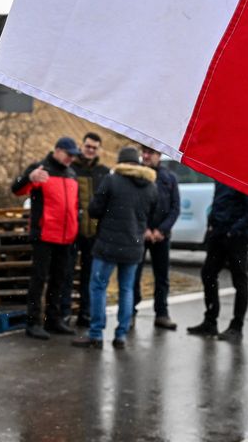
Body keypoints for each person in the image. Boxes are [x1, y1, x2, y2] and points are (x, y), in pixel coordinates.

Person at [73, 146, 158, 349]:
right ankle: (120, 335)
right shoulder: (150, 186)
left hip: (107, 245)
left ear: (120, 162)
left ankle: (96, 334)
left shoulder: (112, 180)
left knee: (98, 287)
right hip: (134, 246)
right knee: (127, 289)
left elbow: (94, 209)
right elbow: (153, 213)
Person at [11, 136, 80, 340]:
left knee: (59, 279)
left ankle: (53, 319)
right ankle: (33, 322)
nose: (70, 159)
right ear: (57, 150)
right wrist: (29, 178)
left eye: (73, 156)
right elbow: (17, 190)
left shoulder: (71, 173)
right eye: (68, 155)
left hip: (66, 236)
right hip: (44, 234)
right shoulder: (40, 169)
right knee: (39, 279)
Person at [187, 182, 248, 339]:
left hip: (237, 238)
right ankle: (210, 322)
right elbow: (218, 203)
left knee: (239, 280)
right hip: (218, 235)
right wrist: (211, 224)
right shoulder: (221, 176)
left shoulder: (245, 177)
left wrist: (234, 230)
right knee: (208, 274)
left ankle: (237, 326)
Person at [62, 131, 108, 328]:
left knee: (90, 276)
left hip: (94, 233)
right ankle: (64, 313)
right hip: (71, 230)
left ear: (98, 150)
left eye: (94, 148)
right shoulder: (71, 167)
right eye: (88, 146)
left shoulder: (103, 172)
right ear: (82, 146)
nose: (90, 150)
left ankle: (85, 314)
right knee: (66, 273)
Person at [133, 145, 180, 330]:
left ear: (158, 155)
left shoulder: (170, 178)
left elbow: (175, 208)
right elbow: (134, 205)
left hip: (161, 236)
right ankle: (130, 312)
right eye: (144, 152)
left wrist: (161, 230)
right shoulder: (136, 176)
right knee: (134, 275)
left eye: (150, 153)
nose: (146, 156)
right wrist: (144, 228)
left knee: (162, 277)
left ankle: (162, 314)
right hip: (140, 233)